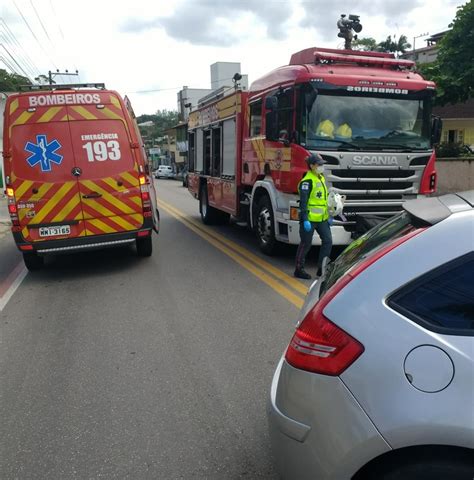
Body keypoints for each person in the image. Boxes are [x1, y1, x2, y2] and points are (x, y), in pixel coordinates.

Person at [294, 153, 333, 280]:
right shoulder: (307, 181)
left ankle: (322, 269)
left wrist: (329, 215)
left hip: (322, 219)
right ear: (312, 166)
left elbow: (323, 200)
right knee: (306, 243)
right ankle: (299, 269)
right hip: (309, 219)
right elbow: (303, 203)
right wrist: (305, 219)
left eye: (322, 164)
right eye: (319, 164)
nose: (322, 166)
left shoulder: (321, 178)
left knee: (327, 241)